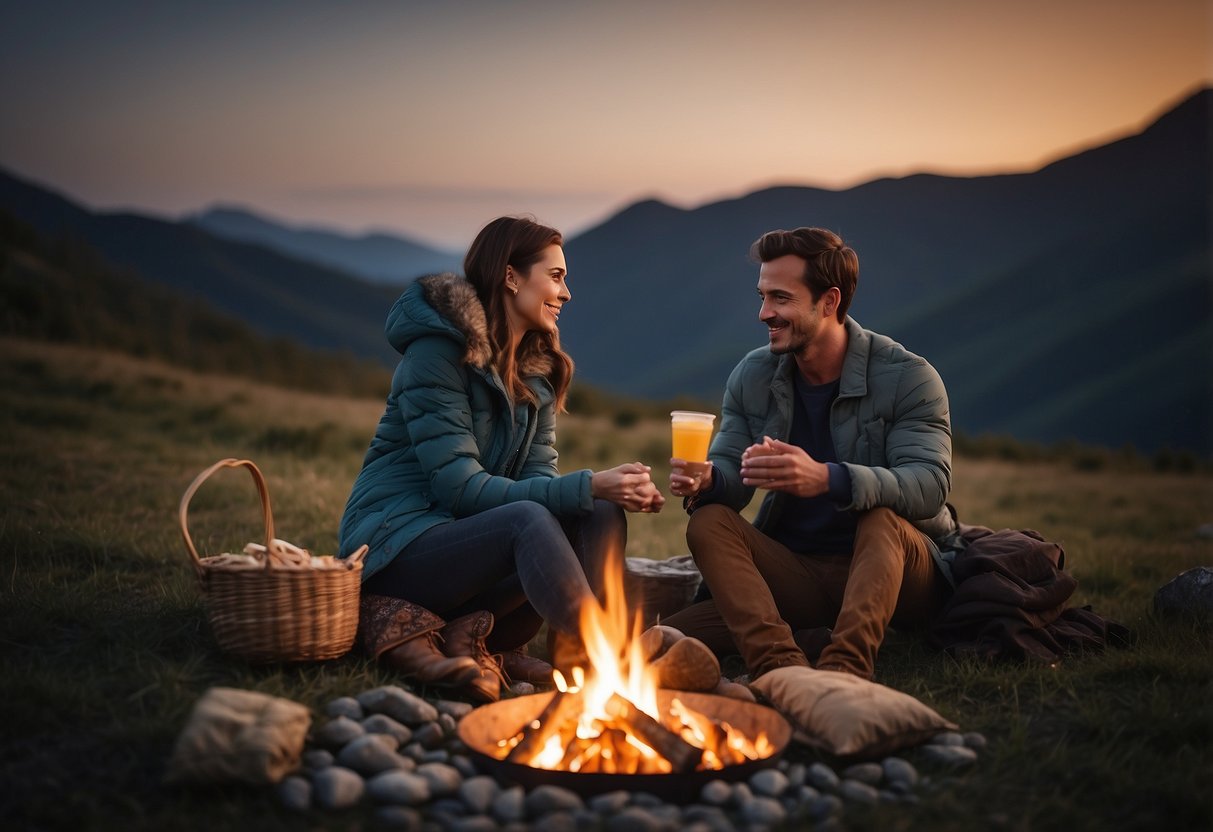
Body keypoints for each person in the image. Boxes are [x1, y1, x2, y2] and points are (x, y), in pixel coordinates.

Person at [338, 216, 665, 702]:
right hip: (398, 551)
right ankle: (610, 661)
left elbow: (540, 478)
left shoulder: (537, 371)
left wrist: (598, 492)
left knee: (597, 510)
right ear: (511, 277)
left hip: (472, 560)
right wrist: (590, 481)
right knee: (531, 517)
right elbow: (460, 488)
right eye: (555, 276)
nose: (567, 292)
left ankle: (575, 657)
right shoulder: (435, 356)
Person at [662, 226, 957, 682]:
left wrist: (828, 478)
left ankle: (846, 669)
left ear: (830, 301)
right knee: (703, 533)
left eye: (780, 298)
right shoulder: (754, 375)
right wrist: (708, 480)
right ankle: (781, 665)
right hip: (797, 574)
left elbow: (929, 487)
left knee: (880, 516)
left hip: (898, 574)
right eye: (762, 297)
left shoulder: (908, 377)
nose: (764, 313)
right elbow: (730, 467)